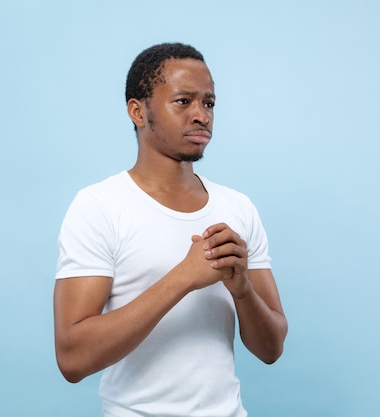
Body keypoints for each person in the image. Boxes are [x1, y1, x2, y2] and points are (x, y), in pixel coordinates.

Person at [54, 42, 288, 417]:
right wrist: (183, 277)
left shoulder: (238, 208)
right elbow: (72, 358)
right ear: (137, 111)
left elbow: (271, 348)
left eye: (208, 103)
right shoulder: (99, 206)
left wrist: (242, 289)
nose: (201, 116)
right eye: (183, 101)